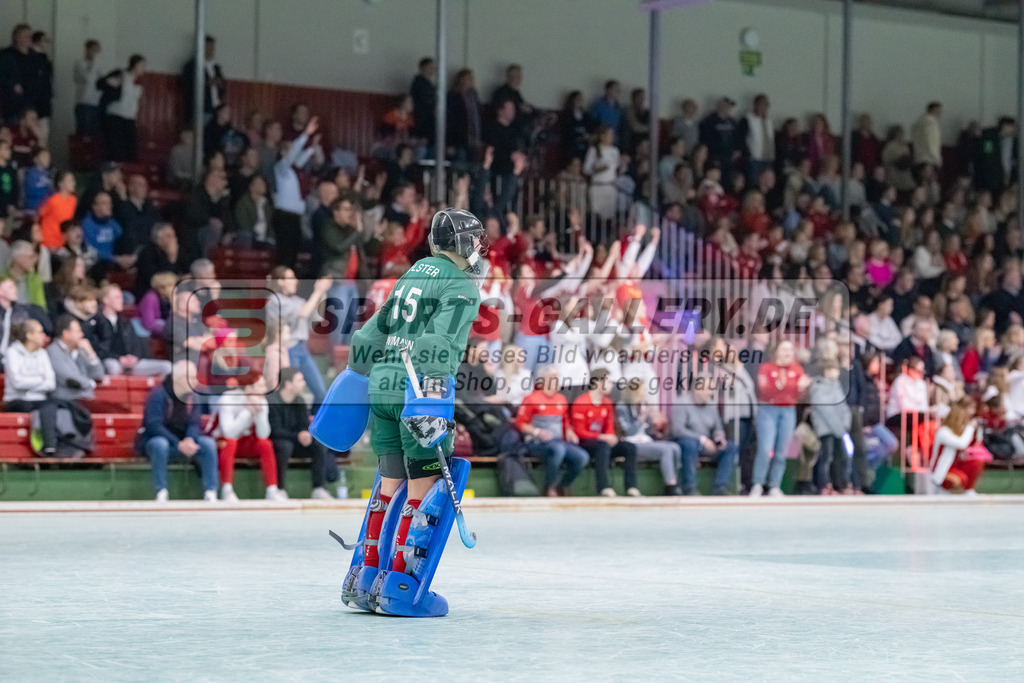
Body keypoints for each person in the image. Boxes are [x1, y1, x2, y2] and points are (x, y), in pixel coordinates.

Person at [323, 207, 487, 617]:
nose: (481, 248)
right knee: (422, 490)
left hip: (382, 386)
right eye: (477, 240)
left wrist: (355, 381)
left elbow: (366, 336)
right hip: (420, 388)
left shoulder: (411, 275)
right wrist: (430, 402)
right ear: (466, 244)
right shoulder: (464, 287)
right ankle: (398, 586)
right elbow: (437, 343)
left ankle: (365, 579)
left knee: (387, 487)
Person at [137, 360, 219, 502]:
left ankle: (211, 491)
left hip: (182, 442)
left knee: (208, 444)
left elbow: (194, 423)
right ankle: (161, 491)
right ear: (179, 380)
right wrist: (178, 443)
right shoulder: (158, 395)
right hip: (159, 441)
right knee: (159, 444)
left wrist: (189, 440)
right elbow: (154, 426)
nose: (195, 381)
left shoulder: (193, 397)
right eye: (192, 378)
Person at [517, 365, 590, 497]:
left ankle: (563, 485)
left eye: (558, 377)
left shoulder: (561, 399)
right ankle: (548, 487)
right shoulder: (532, 399)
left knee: (582, 457)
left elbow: (565, 420)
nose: (557, 380)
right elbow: (521, 424)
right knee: (558, 450)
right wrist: (538, 432)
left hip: (558, 441)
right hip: (536, 442)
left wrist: (569, 431)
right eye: (553, 377)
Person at [270, 368, 342, 500]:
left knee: (318, 444)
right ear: (288, 384)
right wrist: (297, 436)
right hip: (280, 440)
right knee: (284, 446)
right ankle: (279, 489)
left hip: (297, 441)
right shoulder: (272, 401)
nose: (303, 383)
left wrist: (306, 435)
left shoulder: (300, 400)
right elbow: (274, 431)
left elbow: (304, 426)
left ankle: (318, 488)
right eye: (299, 380)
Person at [265, 268, 333, 407]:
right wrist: (317, 291)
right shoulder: (275, 300)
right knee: (291, 392)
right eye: (291, 278)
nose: (295, 280)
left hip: (303, 349)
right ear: (281, 282)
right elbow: (303, 313)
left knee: (320, 392)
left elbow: (317, 316)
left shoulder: (298, 300)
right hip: (287, 349)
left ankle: (313, 426)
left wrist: (323, 294)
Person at [752, 341, 810, 497]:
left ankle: (774, 485)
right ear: (776, 351)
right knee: (765, 449)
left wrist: (799, 388)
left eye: (791, 350)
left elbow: (801, 395)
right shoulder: (766, 368)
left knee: (781, 451)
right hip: (768, 410)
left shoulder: (797, 369)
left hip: (788, 410)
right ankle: (758, 483)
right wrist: (794, 386)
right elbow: (767, 391)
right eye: (784, 349)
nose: (788, 353)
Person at [570, 368, 639, 497]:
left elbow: (609, 426)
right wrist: (602, 437)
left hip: (603, 442)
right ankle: (604, 487)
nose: (611, 385)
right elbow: (580, 432)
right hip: (586, 443)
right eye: (607, 381)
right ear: (596, 382)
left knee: (630, 447)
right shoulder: (581, 402)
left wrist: (611, 437)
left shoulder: (606, 402)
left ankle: (631, 487)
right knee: (603, 446)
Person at [213, 376, 282, 502]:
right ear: (249, 388)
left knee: (266, 444)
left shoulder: (262, 401)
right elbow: (229, 433)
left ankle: (272, 489)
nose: (265, 390)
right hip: (221, 442)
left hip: (245, 443)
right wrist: (246, 412)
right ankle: (227, 489)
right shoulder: (227, 399)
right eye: (261, 386)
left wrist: (260, 415)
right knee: (230, 442)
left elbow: (263, 434)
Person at [672, 375, 740, 496]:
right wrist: (701, 439)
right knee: (689, 444)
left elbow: (717, 427)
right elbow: (677, 430)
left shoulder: (711, 405)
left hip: (708, 444)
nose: (711, 391)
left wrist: (719, 438)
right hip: (690, 443)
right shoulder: (681, 403)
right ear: (697, 388)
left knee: (730, 447)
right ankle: (690, 488)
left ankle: (721, 487)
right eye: (708, 388)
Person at [3, 319, 58, 455]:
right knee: (35, 407)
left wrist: (28, 383)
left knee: (51, 405)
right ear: (29, 335)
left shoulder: (43, 354)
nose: (44, 336)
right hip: (16, 400)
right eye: (40, 332)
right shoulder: (12, 353)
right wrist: (40, 380)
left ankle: (50, 447)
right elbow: (17, 383)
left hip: (39, 401)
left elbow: (51, 383)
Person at [617, 380, 682, 495]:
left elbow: (648, 433)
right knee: (665, 450)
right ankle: (670, 485)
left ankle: (674, 480)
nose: (645, 393)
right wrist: (642, 418)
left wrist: (655, 422)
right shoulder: (622, 407)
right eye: (642, 391)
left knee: (675, 447)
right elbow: (628, 432)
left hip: (645, 440)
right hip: (631, 443)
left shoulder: (642, 405)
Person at [94, 283, 171, 376]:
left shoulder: (126, 322)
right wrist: (119, 358)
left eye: (121, 297)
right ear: (105, 300)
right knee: (113, 366)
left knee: (167, 366)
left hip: (131, 362)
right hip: (111, 361)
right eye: (117, 297)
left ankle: (158, 391)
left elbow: (135, 344)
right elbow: (97, 349)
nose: (121, 300)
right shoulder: (96, 322)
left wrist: (134, 357)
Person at [929, 396, 989, 495]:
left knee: (977, 462)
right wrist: (970, 427)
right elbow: (962, 444)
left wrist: (978, 430)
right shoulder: (943, 432)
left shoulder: (959, 432)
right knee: (960, 479)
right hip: (941, 474)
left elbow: (975, 444)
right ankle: (946, 490)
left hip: (955, 467)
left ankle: (969, 490)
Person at [100, 54, 146, 161]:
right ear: (136, 65)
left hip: (129, 118)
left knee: (131, 149)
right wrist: (108, 82)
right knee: (116, 149)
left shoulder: (137, 84)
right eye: (142, 65)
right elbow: (101, 83)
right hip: (116, 116)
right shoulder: (122, 75)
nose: (144, 69)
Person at [181, 35, 225, 123]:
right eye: (209, 47)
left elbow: (223, 88)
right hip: (200, 109)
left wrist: (220, 84)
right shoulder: (191, 66)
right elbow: (187, 86)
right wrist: (207, 83)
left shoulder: (216, 68)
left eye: (213, 47)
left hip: (216, 109)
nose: (212, 50)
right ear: (201, 47)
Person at [38, 171, 77, 250]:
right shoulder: (52, 200)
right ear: (61, 183)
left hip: (64, 243)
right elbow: (39, 215)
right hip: (49, 243)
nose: (74, 183)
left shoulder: (73, 200)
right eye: (70, 180)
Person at [73, 39, 103, 135]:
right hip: (84, 102)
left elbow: (101, 81)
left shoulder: (98, 65)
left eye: (97, 50)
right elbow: (88, 79)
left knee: (95, 134)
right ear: (87, 49)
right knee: (84, 132)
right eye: (93, 50)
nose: (95, 53)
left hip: (96, 103)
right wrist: (95, 63)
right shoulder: (80, 63)